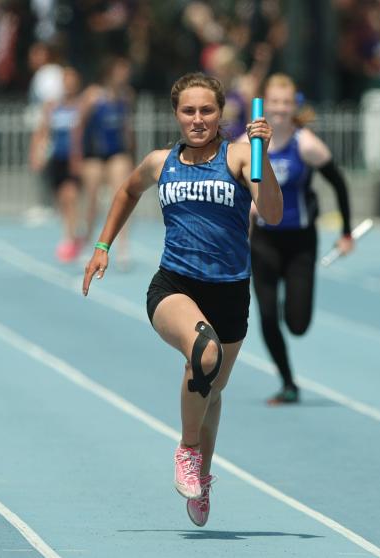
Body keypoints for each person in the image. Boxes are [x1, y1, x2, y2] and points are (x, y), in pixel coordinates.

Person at [82, 73, 280, 527]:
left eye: (206, 110)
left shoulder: (236, 158)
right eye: (189, 111)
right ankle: (187, 451)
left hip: (230, 290)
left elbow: (271, 212)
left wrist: (262, 157)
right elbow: (128, 190)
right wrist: (103, 246)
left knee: (211, 394)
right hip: (174, 285)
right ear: (176, 114)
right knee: (203, 353)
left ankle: (202, 475)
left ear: (220, 114)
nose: (197, 119)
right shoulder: (159, 162)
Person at [238, 73, 354, 404]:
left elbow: (340, 183)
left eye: (286, 103)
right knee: (268, 316)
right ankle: (288, 383)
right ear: (263, 105)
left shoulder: (306, 145)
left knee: (298, 323)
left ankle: (292, 320)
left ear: (294, 106)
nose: (279, 108)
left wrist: (346, 232)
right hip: (263, 242)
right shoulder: (249, 146)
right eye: (273, 102)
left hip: (300, 242)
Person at [73, 56, 135, 268]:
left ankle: (122, 246)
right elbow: (79, 126)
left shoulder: (125, 95)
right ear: (110, 71)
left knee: (122, 197)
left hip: (117, 152)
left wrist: (131, 152)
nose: (125, 75)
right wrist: (77, 155)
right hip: (94, 154)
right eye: (121, 70)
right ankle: (88, 241)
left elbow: (126, 126)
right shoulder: (92, 95)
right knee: (92, 200)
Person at [29, 66, 88, 262]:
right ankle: (71, 231)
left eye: (72, 81)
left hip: (74, 158)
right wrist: (37, 154)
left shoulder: (81, 105)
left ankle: (71, 237)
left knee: (70, 195)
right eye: (66, 81)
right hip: (57, 159)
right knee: (61, 200)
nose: (69, 85)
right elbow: (44, 131)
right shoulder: (53, 106)